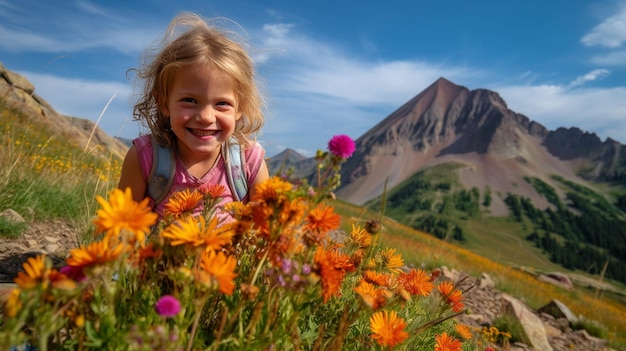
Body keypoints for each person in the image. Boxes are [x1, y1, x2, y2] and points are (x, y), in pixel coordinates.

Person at [118, 12, 269, 221]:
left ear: (239, 108)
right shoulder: (145, 159)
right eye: (190, 100)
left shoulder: (248, 163)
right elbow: (122, 225)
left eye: (222, 104)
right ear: (164, 103)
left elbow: (266, 232)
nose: (206, 117)